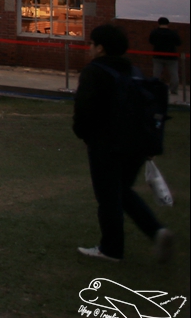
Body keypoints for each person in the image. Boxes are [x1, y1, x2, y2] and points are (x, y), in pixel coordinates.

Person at [73, 23, 173, 263]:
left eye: (92, 43)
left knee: (108, 196)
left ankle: (111, 248)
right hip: (137, 144)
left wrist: (85, 135)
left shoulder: (95, 72)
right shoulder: (133, 71)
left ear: (100, 48)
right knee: (122, 191)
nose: (89, 48)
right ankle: (156, 231)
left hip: (106, 144)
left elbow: (84, 110)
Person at [147, 17, 182, 97]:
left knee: (156, 74)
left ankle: (155, 89)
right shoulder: (173, 33)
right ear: (168, 23)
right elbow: (178, 43)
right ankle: (173, 90)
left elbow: (151, 41)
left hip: (158, 56)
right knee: (174, 75)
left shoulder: (155, 32)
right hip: (171, 57)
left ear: (158, 23)